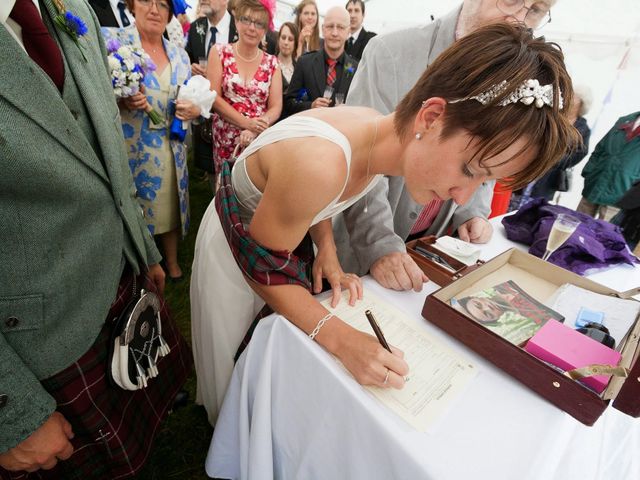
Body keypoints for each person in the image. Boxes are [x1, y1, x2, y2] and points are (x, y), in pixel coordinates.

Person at [190, 22, 578, 423]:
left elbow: (319, 201)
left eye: (484, 181)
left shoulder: (374, 132)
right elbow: (263, 270)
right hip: (239, 257)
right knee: (233, 350)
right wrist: (343, 339)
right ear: (430, 117)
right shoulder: (320, 163)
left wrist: (327, 249)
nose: (464, 197)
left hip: (275, 228)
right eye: (470, 169)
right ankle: (227, 423)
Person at [0, 0, 192, 477]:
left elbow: (106, 145)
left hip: (119, 281)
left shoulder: (70, 6)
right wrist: (11, 414)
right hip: (41, 341)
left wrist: (142, 246)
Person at [333, 0, 557, 292]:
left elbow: (489, 158)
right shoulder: (392, 53)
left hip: (430, 244)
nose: (519, 18)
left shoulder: (516, 78)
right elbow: (362, 159)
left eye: (537, 10)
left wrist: (473, 211)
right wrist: (380, 244)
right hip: (359, 255)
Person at [103, 0, 201, 282]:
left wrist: (194, 110)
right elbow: (93, 90)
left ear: (170, 14)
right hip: (130, 145)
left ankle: (170, 260)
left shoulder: (180, 55)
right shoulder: (113, 42)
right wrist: (120, 99)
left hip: (172, 146)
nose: (155, 9)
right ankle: (134, 263)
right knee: (132, 205)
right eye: (147, 1)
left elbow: (193, 98)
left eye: (163, 4)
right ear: (133, 6)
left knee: (169, 202)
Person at [206, 0, 282, 175]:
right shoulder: (218, 52)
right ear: (236, 21)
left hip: (258, 140)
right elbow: (214, 98)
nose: (251, 28)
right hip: (224, 138)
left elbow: (276, 106)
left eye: (258, 23)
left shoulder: (272, 63)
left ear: (265, 29)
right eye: (246, 20)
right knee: (225, 192)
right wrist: (247, 123)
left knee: (253, 192)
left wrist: (256, 128)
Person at [186, 0, 239, 189]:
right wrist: (190, 67)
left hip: (233, 119)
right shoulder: (195, 28)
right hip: (204, 120)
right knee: (211, 175)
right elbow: (187, 57)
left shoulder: (240, 27)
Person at [284, 6, 356, 115]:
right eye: (330, 26)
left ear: (348, 31)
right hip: (309, 129)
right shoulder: (305, 63)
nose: (334, 33)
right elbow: (288, 104)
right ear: (323, 29)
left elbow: (362, 108)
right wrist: (310, 106)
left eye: (340, 27)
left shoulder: (356, 69)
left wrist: (348, 111)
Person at [525, 85, 592, 202]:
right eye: (568, 94)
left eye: (574, 96)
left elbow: (579, 153)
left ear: (581, 103)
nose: (569, 98)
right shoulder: (552, 115)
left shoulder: (583, 129)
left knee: (535, 203)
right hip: (530, 164)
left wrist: (552, 159)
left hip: (551, 174)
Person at [577, 110, 640, 221]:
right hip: (595, 184)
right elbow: (600, 148)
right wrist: (589, 172)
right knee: (574, 226)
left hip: (621, 194)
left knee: (604, 235)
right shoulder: (624, 120)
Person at [276, 21, 299, 121]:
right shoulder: (269, 63)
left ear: (296, 43)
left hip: (293, 121)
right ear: (278, 39)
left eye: (290, 39)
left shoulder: (299, 68)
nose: (286, 42)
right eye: (283, 37)